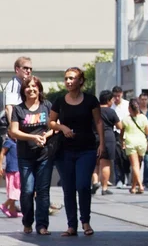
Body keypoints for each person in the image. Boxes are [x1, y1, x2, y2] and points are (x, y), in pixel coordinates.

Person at [49, 67, 103, 236]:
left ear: (81, 81)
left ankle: (85, 222)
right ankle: (71, 225)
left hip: (86, 149)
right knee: (69, 188)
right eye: (66, 78)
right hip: (64, 151)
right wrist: (62, 126)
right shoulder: (59, 101)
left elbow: (99, 122)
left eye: (72, 78)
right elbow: (51, 122)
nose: (69, 81)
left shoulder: (90, 100)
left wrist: (102, 143)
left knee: (83, 186)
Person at [9, 76, 54, 235]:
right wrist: (33, 137)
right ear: (23, 90)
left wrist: (45, 136)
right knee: (27, 190)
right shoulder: (19, 109)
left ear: (39, 89)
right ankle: (27, 222)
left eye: (35, 86)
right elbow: (14, 131)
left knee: (43, 191)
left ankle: (42, 226)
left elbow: (54, 127)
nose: (31, 89)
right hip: (25, 156)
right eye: (28, 87)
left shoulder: (47, 106)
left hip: (44, 155)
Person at [120, 98, 148, 194]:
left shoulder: (126, 119)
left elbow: (121, 132)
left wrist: (122, 142)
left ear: (129, 108)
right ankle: (133, 187)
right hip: (142, 143)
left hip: (131, 143)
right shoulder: (143, 117)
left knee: (134, 165)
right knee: (138, 166)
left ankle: (140, 186)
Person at [97, 90, 122, 196]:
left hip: (95, 137)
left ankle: (94, 182)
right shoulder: (111, 112)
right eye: (112, 99)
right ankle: (104, 187)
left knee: (95, 163)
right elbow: (119, 126)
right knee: (106, 163)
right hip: (108, 138)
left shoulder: (94, 111)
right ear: (108, 100)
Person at [4, 56, 33, 125]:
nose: (28, 71)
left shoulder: (28, 84)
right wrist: (13, 129)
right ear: (17, 69)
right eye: (25, 68)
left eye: (30, 69)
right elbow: (9, 108)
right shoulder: (13, 85)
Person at [111, 86, 129, 189]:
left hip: (126, 133)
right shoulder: (111, 106)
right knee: (117, 157)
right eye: (115, 96)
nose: (117, 98)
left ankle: (127, 175)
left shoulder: (126, 104)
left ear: (122, 94)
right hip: (115, 133)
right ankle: (119, 179)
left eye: (118, 96)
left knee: (126, 158)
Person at [0, 136, 21, 217]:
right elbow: (2, 153)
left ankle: (12, 210)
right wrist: (0, 166)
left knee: (16, 190)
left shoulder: (17, 141)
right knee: (16, 190)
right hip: (12, 169)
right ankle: (4, 205)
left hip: (18, 168)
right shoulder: (8, 142)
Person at [138, 91, 148, 189]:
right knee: (137, 162)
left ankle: (146, 181)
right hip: (137, 139)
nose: (144, 102)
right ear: (139, 100)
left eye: (145, 99)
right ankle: (136, 181)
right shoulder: (136, 111)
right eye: (142, 99)